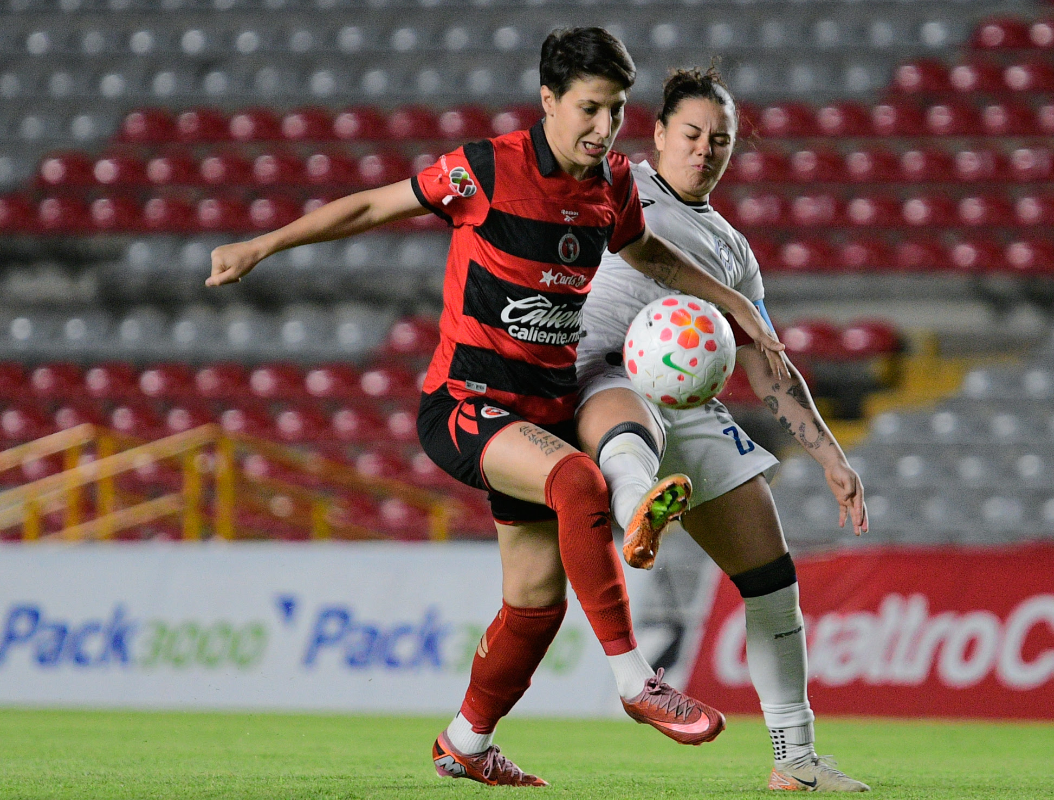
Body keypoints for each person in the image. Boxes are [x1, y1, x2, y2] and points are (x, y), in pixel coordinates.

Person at [206, 29, 786, 788]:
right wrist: (261, 245)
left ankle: (465, 742)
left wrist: (732, 301)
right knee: (579, 481)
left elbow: (648, 254)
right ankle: (636, 681)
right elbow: (374, 207)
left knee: (536, 605)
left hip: (540, 413)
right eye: (587, 109)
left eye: (614, 111)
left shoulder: (609, 184)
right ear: (547, 101)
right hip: (464, 405)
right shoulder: (486, 169)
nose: (602, 129)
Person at [573, 66, 871, 792]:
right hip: (601, 375)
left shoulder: (734, 251)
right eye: (692, 134)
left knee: (772, 580)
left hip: (690, 408)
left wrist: (831, 456)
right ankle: (637, 506)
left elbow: (769, 366)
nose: (704, 150)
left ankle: (795, 763)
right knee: (626, 416)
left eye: (721, 141)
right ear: (660, 133)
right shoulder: (614, 185)